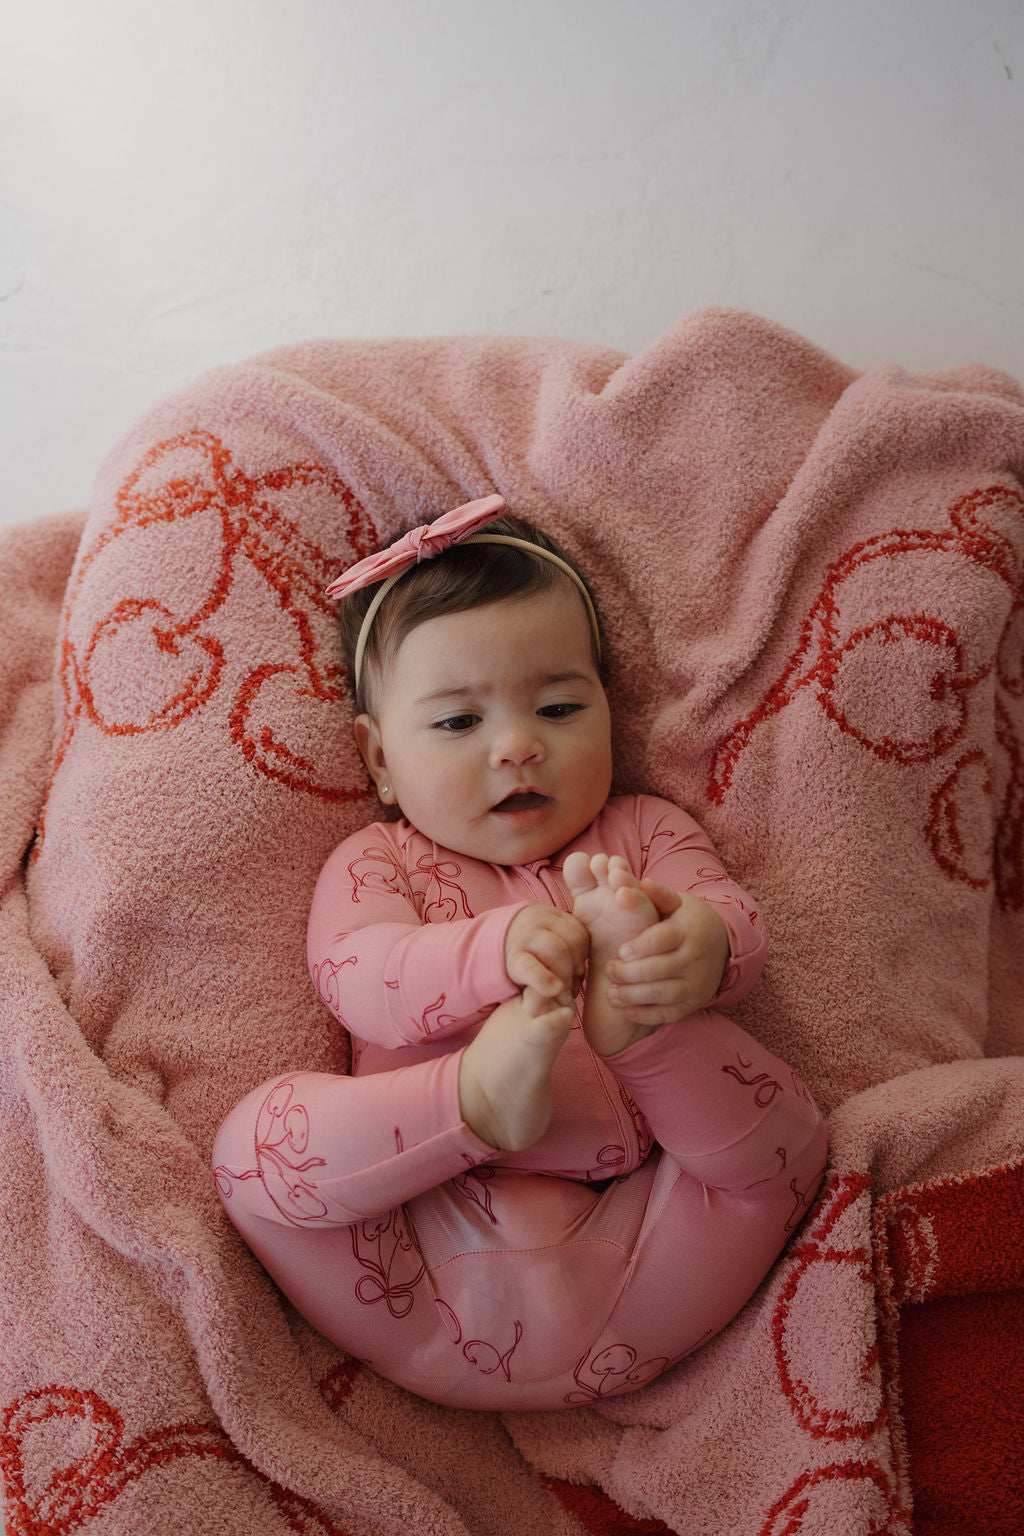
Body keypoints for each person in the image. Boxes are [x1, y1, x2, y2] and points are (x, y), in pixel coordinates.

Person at [212, 495, 828, 1411]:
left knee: (792, 1143)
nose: (518, 747)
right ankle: (474, 1100)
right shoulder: (382, 859)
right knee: (252, 1156)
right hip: (417, 1273)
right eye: (458, 724)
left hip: (652, 1255)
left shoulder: (642, 831)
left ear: (608, 711)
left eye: (559, 704)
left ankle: (641, 1036)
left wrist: (695, 945)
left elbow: (736, 922)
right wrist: (491, 952)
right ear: (379, 760)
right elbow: (360, 978)